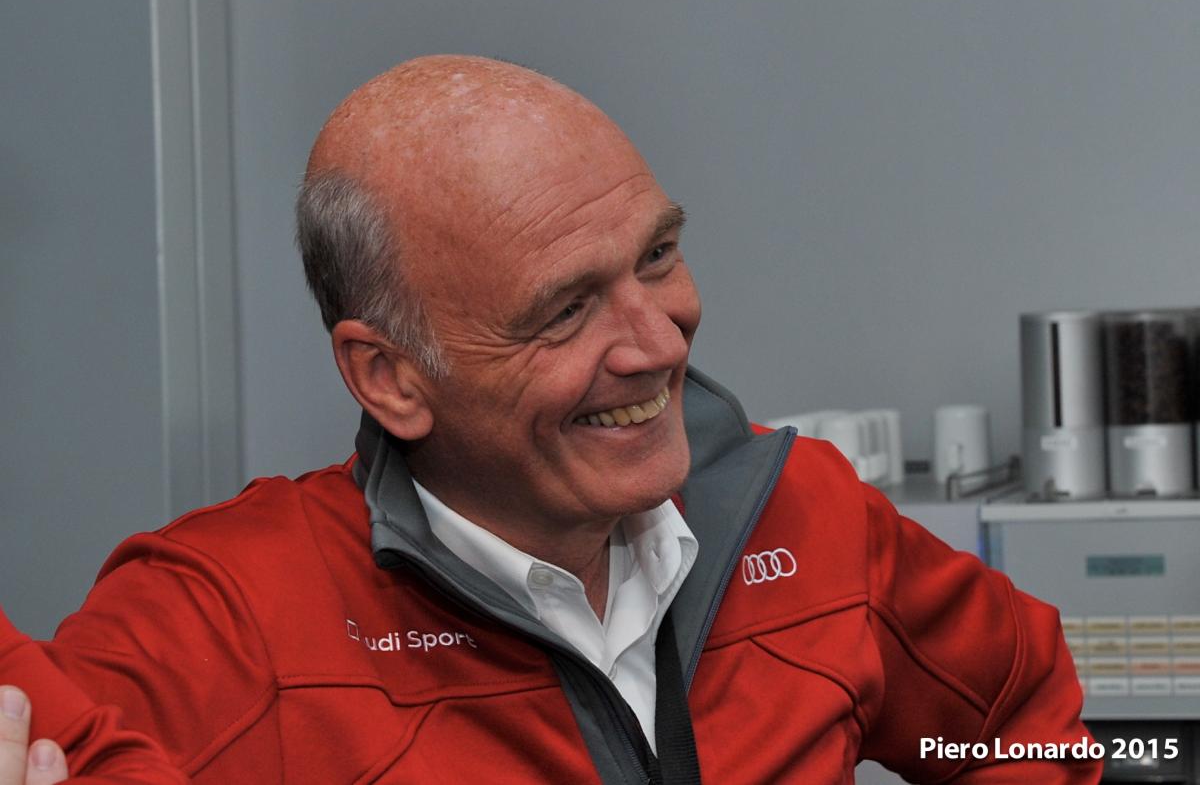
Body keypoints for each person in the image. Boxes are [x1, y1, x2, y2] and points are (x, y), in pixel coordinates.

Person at [0, 55, 1101, 783]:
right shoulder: (231, 616)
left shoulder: (803, 515)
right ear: (390, 377)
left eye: (657, 256)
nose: (659, 343)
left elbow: (1017, 718)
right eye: (566, 311)